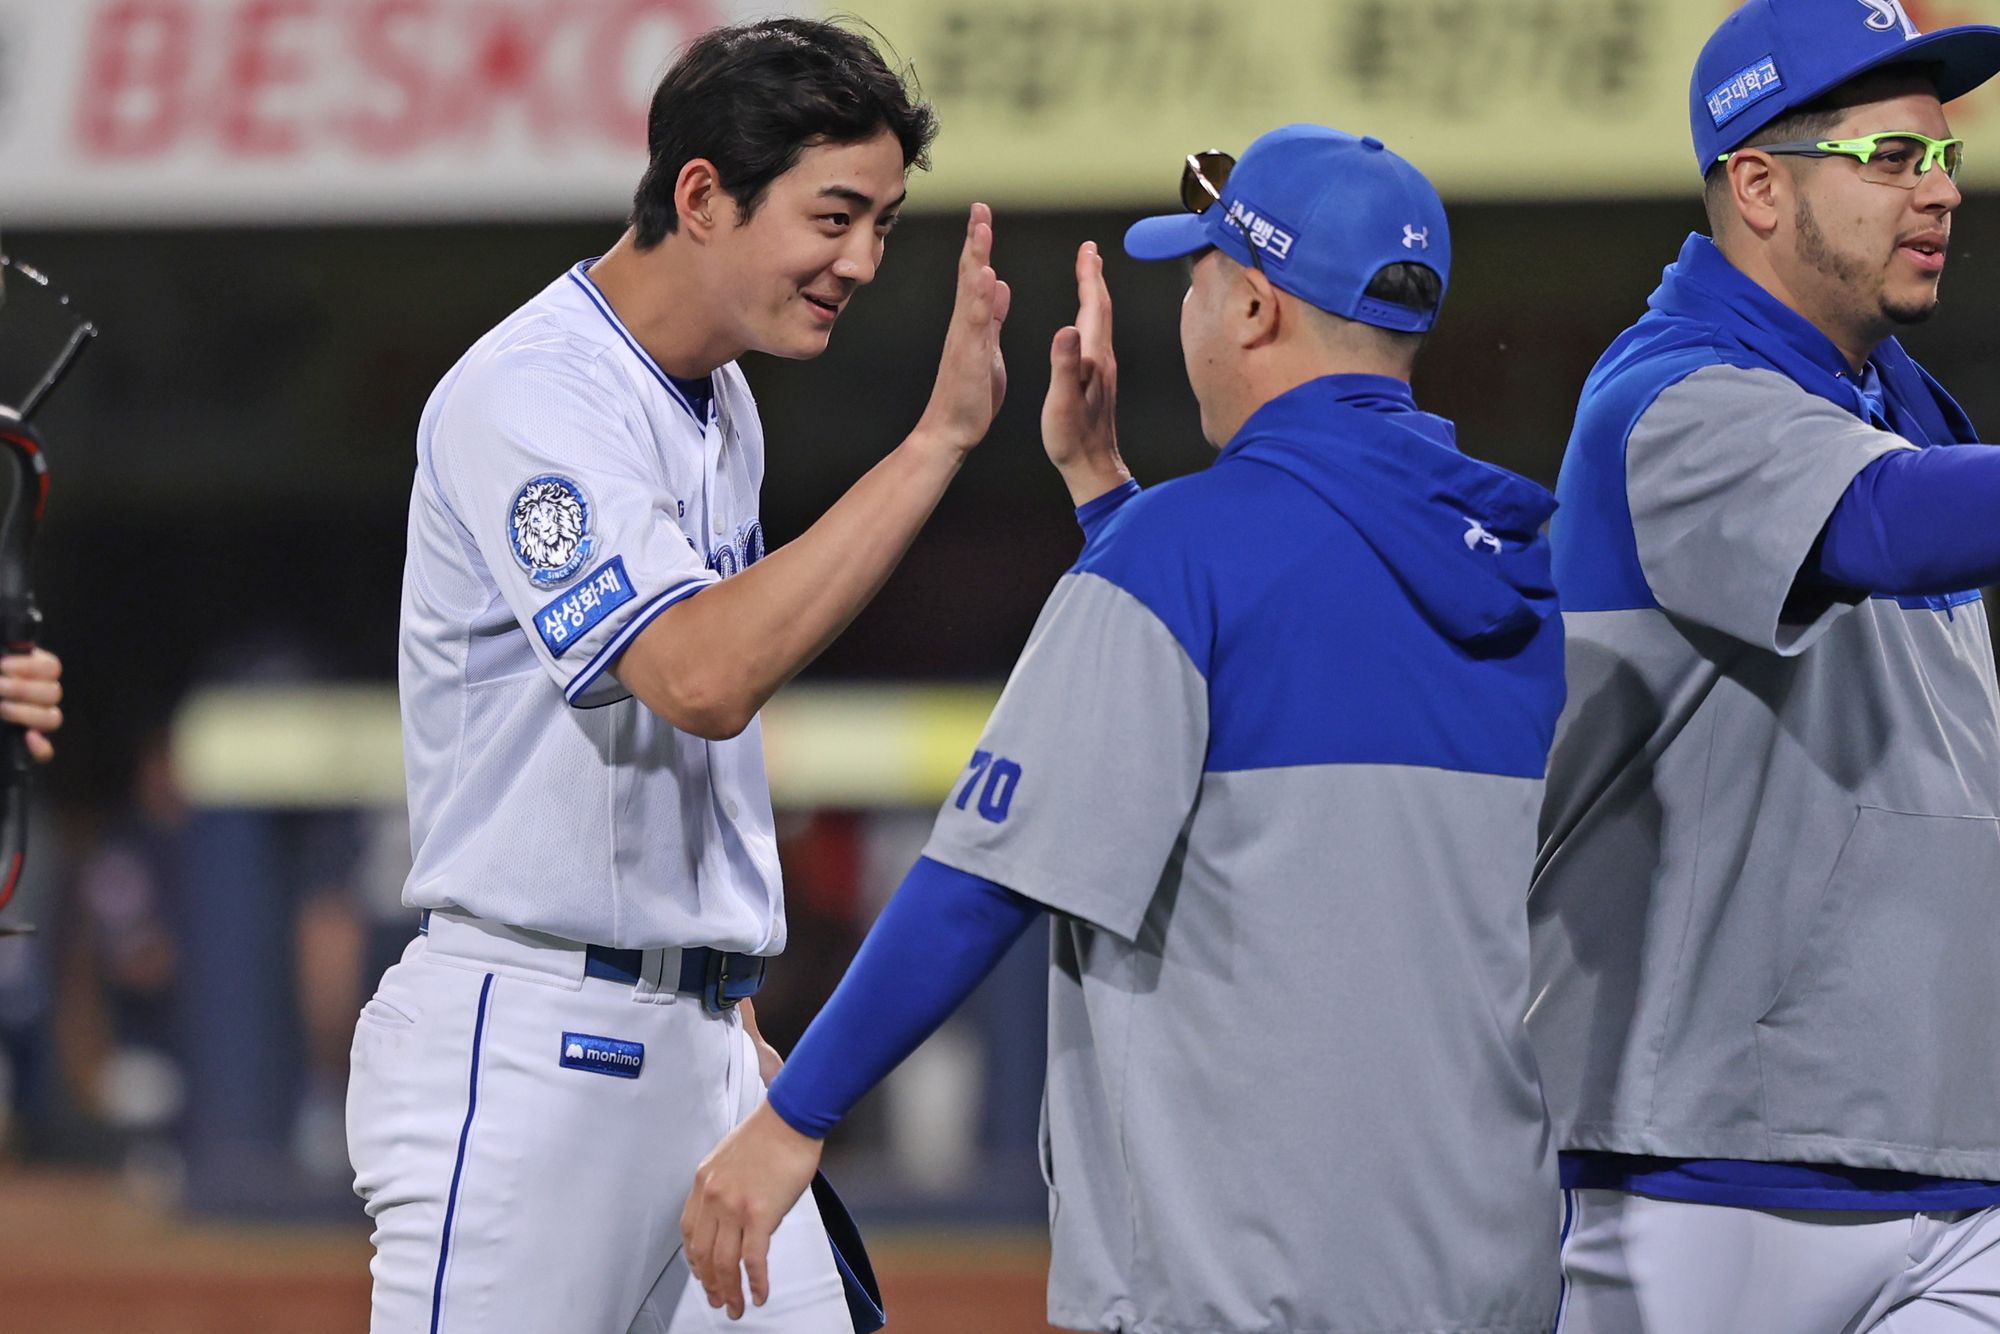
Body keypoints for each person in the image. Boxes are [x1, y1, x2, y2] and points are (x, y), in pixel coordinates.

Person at [681, 124, 1569, 1334]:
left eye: (1197, 276)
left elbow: (982, 880)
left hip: (1249, 1288)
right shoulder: (1527, 567)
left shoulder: (1180, 560)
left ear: (1252, 308)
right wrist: (1107, 500)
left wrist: (794, 1117)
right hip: (1494, 1273)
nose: (1184, 309)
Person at [344, 17, 1009, 1333]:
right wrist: (937, 442)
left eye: (880, 224)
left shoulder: (722, 400)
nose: (862, 261)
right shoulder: (531, 393)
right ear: (701, 195)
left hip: (702, 1052)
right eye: (834, 216)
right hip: (533, 1050)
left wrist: (717, 986)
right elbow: (701, 676)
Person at [1529, 1, 2000, 1328]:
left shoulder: (1901, 398)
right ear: (1756, 186)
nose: (1938, 191)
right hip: (1697, 1175)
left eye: (1943, 156)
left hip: (1952, 1167)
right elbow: (1882, 523)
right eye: (1890, 159)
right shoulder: (1670, 395)